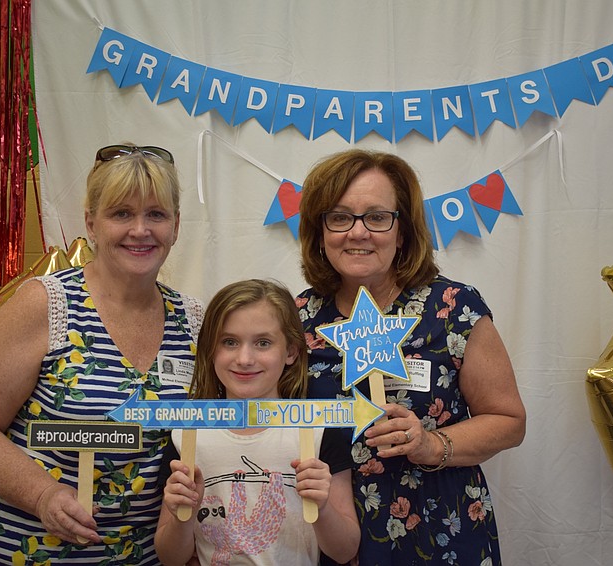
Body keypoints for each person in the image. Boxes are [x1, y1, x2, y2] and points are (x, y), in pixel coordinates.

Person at [0, 143, 204, 565]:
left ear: (176, 227)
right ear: (91, 223)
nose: (141, 230)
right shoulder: (45, 305)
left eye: (156, 214)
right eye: (121, 213)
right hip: (27, 552)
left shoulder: (194, 319)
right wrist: (42, 494)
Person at [296, 149, 526, 565]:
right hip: (330, 535)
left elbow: (509, 422)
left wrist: (432, 443)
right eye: (340, 217)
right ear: (320, 231)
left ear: (402, 231)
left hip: (441, 534)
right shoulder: (295, 320)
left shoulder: (454, 307)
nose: (358, 232)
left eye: (377, 217)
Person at [154, 279, 360, 565]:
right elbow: (169, 557)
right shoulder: (187, 435)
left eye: (263, 343)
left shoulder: (319, 433)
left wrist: (323, 507)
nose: (245, 358)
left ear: (290, 352)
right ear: (211, 350)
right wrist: (180, 516)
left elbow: (345, 550)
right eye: (229, 342)